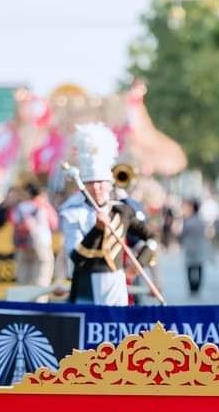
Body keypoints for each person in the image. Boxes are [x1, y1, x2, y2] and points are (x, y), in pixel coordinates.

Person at [60, 123, 153, 306]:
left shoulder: (121, 210)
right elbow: (76, 257)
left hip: (116, 285)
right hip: (85, 285)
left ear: (109, 183)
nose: (97, 188)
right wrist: (97, 229)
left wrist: (140, 262)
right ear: (83, 186)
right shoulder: (72, 213)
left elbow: (151, 237)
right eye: (91, 183)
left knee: (118, 331)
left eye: (101, 182)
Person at [11, 181, 58, 289]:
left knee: (23, 279)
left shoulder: (20, 206)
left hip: (23, 246)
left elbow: (14, 222)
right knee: (41, 279)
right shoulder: (44, 206)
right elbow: (54, 224)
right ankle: (38, 304)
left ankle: (23, 304)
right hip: (41, 245)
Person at [179, 199, 211, 296]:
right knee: (199, 268)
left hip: (190, 247)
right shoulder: (201, 221)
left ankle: (192, 288)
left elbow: (183, 234)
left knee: (190, 268)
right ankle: (197, 288)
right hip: (200, 247)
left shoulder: (188, 221)